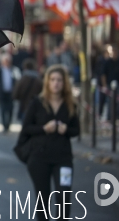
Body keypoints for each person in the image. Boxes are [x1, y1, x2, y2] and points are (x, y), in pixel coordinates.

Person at [21, 65, 79, 221]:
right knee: (43, 200)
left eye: (59, 80)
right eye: (52, 79)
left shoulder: (70, 104)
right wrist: (44, 128)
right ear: (47, 82)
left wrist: (66, 130)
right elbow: (26, 128)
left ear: (64, 83)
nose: (56, 83)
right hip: (39, 158)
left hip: (63, 158)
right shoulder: (37, 103)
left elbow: (76, 130)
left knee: (63, 198)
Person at [0, 53, 20, 133]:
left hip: (11, 93)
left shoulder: (14, 70)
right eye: (5, 61)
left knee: (10, 109)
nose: (7, 62)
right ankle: (4, 125)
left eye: (8, 60)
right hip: (2, 93)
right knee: (3, 110)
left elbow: (17, 81)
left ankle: (8, 124)